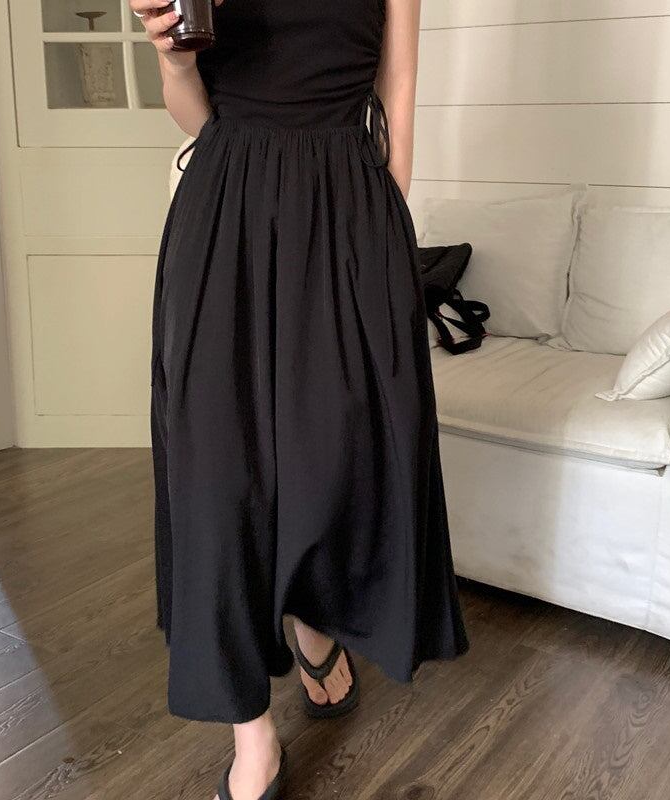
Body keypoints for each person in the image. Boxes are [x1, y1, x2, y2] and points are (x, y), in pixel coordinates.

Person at [137, 1, 469, 797]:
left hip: (346, 203)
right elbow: (195, 113)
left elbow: (397, 87)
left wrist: (385, 224)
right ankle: (250, 729)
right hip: (225, 213)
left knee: (337, 455)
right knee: (217, 478)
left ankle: (316, 624)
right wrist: (174, 60)